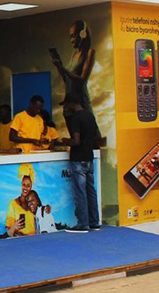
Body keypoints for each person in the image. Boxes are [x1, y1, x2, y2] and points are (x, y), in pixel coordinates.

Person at [58, 92, 102, 233]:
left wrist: (65, 141)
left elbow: (76, 141)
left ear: (72, 104)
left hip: (78, 158)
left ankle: (83, 224)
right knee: (91, 191)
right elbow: (95, 136)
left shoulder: (75, 119)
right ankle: (94, 222)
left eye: (67, 104)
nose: (66, 107)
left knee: (80, 192)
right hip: (89, 157)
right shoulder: (90, 116)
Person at [51, 20, 95, 113]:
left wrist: (62, 68)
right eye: (70, 37)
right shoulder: (74, 55)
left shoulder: (90, 53)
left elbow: (82, 80)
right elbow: (66, 80)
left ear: (83, 34)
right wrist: (58, 66)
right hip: (69, 105)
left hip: (81, 105)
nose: (71, 40)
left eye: (73, 36)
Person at [6, 164, 36, 237]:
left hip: (34, 240)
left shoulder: (33, 205)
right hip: (19, 240)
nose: (25, 188)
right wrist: (14, 227)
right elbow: (9, 233)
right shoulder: (13, 204)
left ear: (31, 187)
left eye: (28, 185)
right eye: (23, 184)